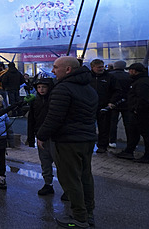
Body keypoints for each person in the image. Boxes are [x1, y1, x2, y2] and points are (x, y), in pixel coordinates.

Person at [37, 56, 98, 228]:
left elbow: (54, 117)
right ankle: (89, 212)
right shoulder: (89, 88)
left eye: (56, 67)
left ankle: (79, 217)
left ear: (68, 70)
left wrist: (41, 135)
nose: (53, 71)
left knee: (70, 179)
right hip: (86, 139)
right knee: (85, 176)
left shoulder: (63, 89)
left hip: (67, 141)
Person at [115, 63, 149, 164]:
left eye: (130, 70)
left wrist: (137, 110)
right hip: (145, 111)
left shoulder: (141, 83)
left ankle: (148, 156)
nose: (129, 72)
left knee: (146, 133)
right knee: (134, 132)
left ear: (135, 71)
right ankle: (129, 151)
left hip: (144, 113)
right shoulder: (142, 81)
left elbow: (143, 99)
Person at [27, 78, 57, 196]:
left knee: (60, 162)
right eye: (39, 87)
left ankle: (66, 187)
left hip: (54, 136)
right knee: (45, 161)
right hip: (40, 136)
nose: (41, 89)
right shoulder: (35, 101)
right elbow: (31, 120)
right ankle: (48, 183)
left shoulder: (54, 100)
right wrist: (31, 138)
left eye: (44, 87)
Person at [89, 59, 121, 153]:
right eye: (99, 67)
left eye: (102, 66)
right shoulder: (87, 77)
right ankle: (89, 144)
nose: (101, 69)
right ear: (93, 67)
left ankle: (102, 146)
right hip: (90, 106)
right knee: (89, 126)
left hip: (104, 106)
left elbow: (117, 90)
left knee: (104, 127)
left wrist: (111, 102)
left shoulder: (110, 77)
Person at [108, 60, 132, 148]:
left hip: (113, 102)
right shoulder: (129, 76)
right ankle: (131, 141)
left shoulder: (110, 75)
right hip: (127, 103)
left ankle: (112, 141)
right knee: (128, 124)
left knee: (113, 123)